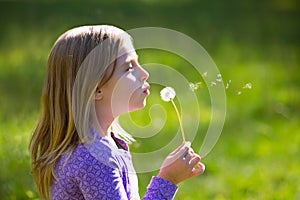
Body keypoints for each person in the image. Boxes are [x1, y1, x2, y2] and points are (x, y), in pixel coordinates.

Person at [29, 25, 205, 200]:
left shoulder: (102, 146)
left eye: (138, 63)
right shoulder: (95, 159)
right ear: (96, 89)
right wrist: (168, 179)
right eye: (129, 67)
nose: (144, 73)